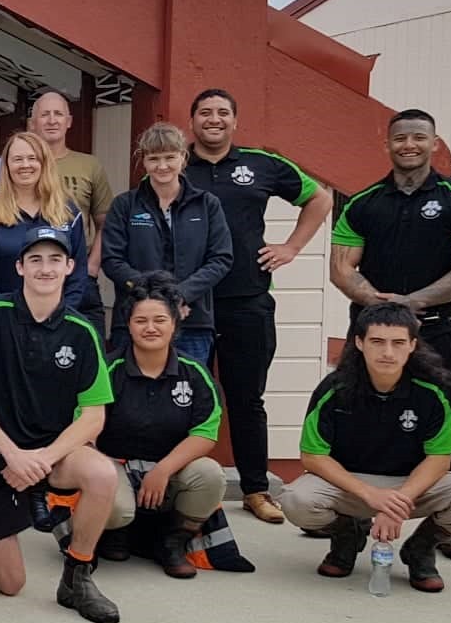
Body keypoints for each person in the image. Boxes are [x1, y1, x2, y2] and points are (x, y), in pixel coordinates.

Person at [330, 108, 451, 561]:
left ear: (434, 144)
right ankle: (350, 515)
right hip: (370, 330)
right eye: (400, 138)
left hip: (438, 331)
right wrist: (380, 306)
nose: (409, 145)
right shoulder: (363, 203)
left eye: (419, 138)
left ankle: (444, 527)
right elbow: (342, 268)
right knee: (353, 408)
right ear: (387, 144)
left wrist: (413, 303)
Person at [0, 231, 123, 623]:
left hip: (52, 456)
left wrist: (42, 459)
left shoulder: (81, 331)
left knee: (101, 473)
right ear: (20, 267)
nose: (45, 268)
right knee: (10, 583)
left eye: (54, 260)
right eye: (35, 260)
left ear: (69, 267)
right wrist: (12, 454)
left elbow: (94, 416)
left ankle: (77, 576)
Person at [183, 87, 330, 525]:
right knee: (182, 395)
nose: (214, 119)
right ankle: (180, 489)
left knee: (247, 400)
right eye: (205, 112)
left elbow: (320, 197)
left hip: (246, 300)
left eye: (222, 112)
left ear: (234, 121)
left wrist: (291, 247)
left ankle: (256, 489)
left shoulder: (262, 165)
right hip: (190, 306)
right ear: (192, 121)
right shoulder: (175, 164)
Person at [285, 303, 451, 593]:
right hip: (353, 485)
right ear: (359, 343)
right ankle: (347, 534)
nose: (387, 352)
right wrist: (371, 496)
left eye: (398, 343)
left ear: (412, 345)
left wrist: (396, 504)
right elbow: (313, 456)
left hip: (411, 486)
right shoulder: (335, 389)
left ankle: (420, 548)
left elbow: (440, 459)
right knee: (296, 499)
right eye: (377, 342)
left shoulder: (435, 390)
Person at [93, 276, 227, 579]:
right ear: (128, 325)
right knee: (113, 502)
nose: (150, 327)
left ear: (175, 323)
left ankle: (172, 541)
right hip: (117, 465)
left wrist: (163, 470)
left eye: (159, 320)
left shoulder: (195, 374)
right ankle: (117, 532)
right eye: (140, 320)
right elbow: (88, 428)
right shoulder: (108, 370)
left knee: (210, 475)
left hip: (171, 470)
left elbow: (205, 434)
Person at [100, 122, 233, 362]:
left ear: (183, 157)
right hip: (134, 321)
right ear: (144, 161)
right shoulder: (124, 205)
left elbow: (221, 259)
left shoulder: (207, 204)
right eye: (154, 158)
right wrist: (153, 299)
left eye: (170, 157)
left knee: (188, 394)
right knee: (129, 395)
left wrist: (180, 295)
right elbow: (112, 260)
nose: (162, 166)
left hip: (192, 322)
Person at [0, 131, 93, 312]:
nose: (25, 165)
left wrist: (61, 312)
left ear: (44, 164)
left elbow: (78, 271)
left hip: (56, 319)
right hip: (0, 317)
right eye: (17, 159)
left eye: (32, 158)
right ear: (6, 165)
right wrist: (2, 310)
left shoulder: (68, 211)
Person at [29, 89, 112, 325]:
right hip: (33, 273)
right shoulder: (21, 165)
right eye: (45, 115)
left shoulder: (89, 165)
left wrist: (92, 268)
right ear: (33, 123)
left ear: (69, 121)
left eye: (58, 114)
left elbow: (105, 223)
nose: (52, 120)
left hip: (78, 273)